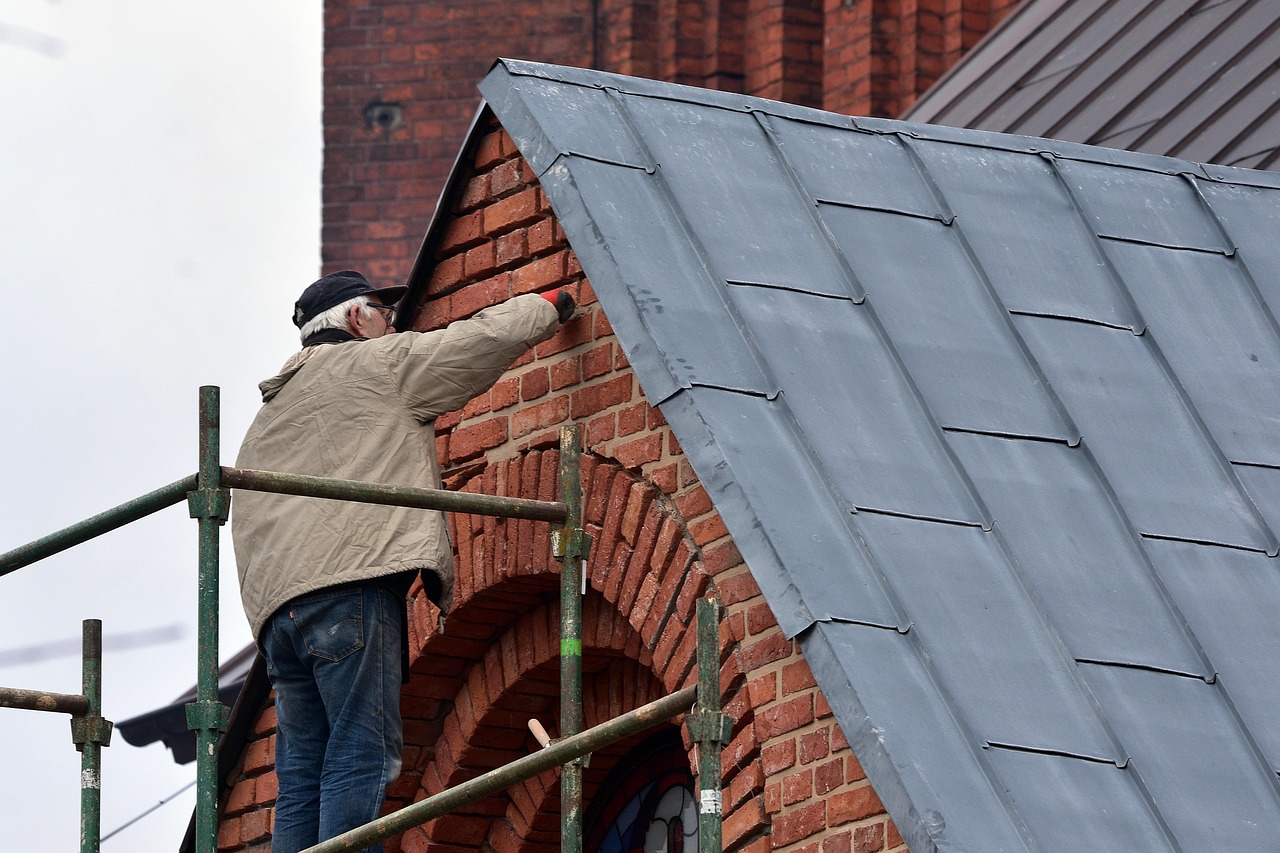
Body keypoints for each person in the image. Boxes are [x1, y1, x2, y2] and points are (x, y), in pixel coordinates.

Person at [231, 270, 574, 852]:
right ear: (357, 318)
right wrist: (547, 305)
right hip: (352, 591)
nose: (395, 325)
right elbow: (472, 343)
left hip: (277, 625)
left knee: (300, 779)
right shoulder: (378, 365)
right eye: (385, 316)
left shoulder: (265, 420)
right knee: (359, 757)